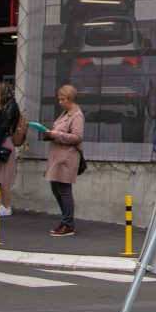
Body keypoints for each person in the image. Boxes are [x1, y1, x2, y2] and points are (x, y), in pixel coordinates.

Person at [43, 83, 86, 236]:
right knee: (56, 189)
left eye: (62, 99)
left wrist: (56, 135)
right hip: (58, 156)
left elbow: (77, 137)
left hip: (66, 158)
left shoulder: (77, 115)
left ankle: (69, 224)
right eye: (59, 99)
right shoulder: (66, 113)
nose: (60, 102)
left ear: (70, 99)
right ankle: (66, 219)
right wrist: (48, 134)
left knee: (64, 190)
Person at [0, 77, 25, 217]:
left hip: (5, 143)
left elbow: (3, 126)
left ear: (3, 92)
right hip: (3, 141)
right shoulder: (6, 106)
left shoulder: (10, 106)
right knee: (0, 176)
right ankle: (4, 204)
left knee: (3, 176)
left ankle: (6, 205)